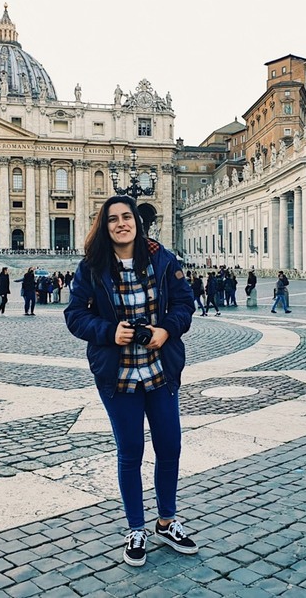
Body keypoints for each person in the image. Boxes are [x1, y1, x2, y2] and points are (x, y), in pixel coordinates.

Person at [64, 195, 197, 567]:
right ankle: (135, 527)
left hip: (160, 369)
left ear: (137, 222)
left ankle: (167, 521)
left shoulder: (162, 258)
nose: (122, 223)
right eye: (113, 219)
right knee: (130, 453)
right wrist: (110, 332)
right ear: (104, 227)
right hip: (118, 374)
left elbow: (185, 304)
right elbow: (74, 315)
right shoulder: (91, 266)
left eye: (127, 217)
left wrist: (165, 331)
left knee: (170, 446)